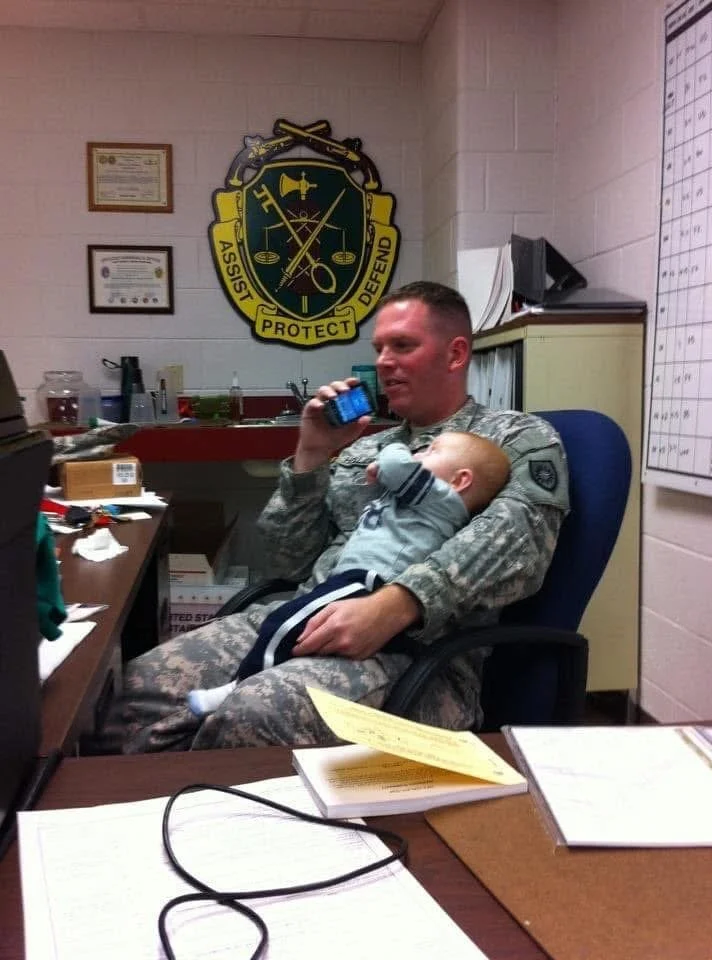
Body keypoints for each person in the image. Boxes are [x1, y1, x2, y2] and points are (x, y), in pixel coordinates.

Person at [95, 280, 569, 753]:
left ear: (456, 353)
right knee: (133, 688)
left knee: (254, 714)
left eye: (403, 345)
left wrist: (396, 604)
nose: (384, 362)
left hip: (418, 653)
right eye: (380, 348)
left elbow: (519, 542)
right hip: (300, 616)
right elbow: (288, 563)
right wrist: (310, 456)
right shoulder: (365, 449)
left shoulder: (512, 438)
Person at [186, 431, 511, 717]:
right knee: (292, 629)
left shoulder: (441, 498)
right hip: (351, 580)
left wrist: (392, 455)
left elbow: (398, 465)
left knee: (282, 623)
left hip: (370, 583)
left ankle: (238, 685)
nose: (418, 454)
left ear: (460, 481)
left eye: (430, 451)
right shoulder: (420, 498)